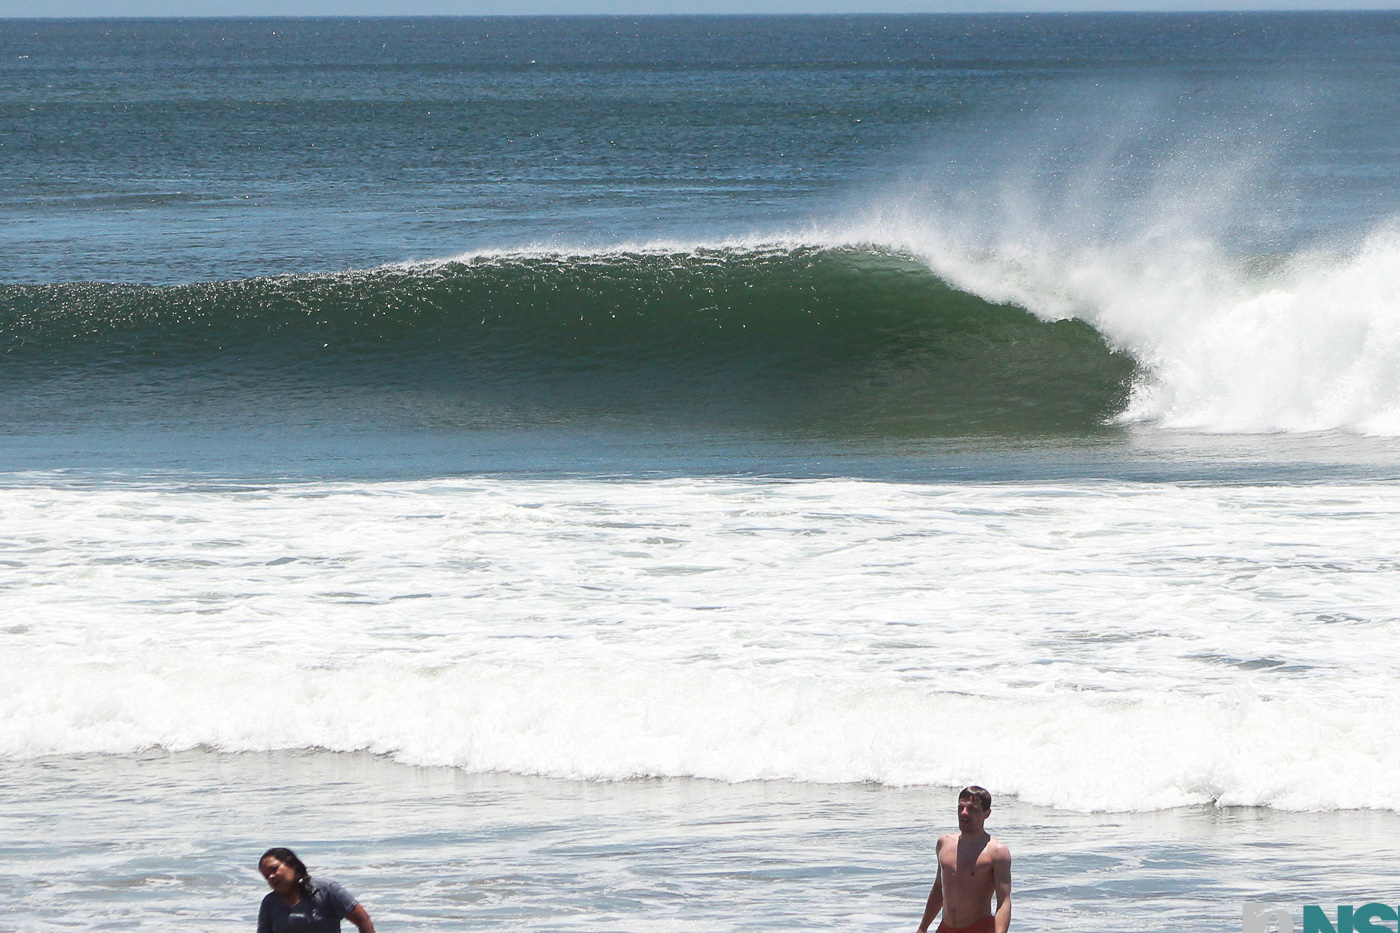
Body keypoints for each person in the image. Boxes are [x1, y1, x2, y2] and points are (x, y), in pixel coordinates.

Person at [915, 786, 1012, 933]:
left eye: (972, 809)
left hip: (979, 928)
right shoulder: (944, 844)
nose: (964, 813)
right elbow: (939, 887)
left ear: (987, 813)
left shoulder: (996, 852)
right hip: (945, 928)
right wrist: (923, 928)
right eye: (961, 808)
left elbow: (1004, 901)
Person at [257, 847, 376, 933]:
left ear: (292, 865)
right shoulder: (270, 903)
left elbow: (363, 920)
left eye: (274, 869)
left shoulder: (326, 890)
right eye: (267, 876)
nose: (271, 877)